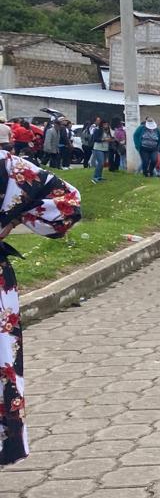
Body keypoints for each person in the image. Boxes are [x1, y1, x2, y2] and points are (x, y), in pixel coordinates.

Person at [0, 149, 81, 464]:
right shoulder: (6, 165)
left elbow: (67, 202)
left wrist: (16, 214)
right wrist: (17, 215)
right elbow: (66, 204)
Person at [88, 118, 111, 183]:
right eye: (104, 124)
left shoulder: (108, 131)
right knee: (100, 162)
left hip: (106, 148)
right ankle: (95, 177)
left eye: (107, 124)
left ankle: (99, 176)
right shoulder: (98, 130)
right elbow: (95, 139)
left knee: (103, 163)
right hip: (98, 148)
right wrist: (104, 139)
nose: (106, 126)